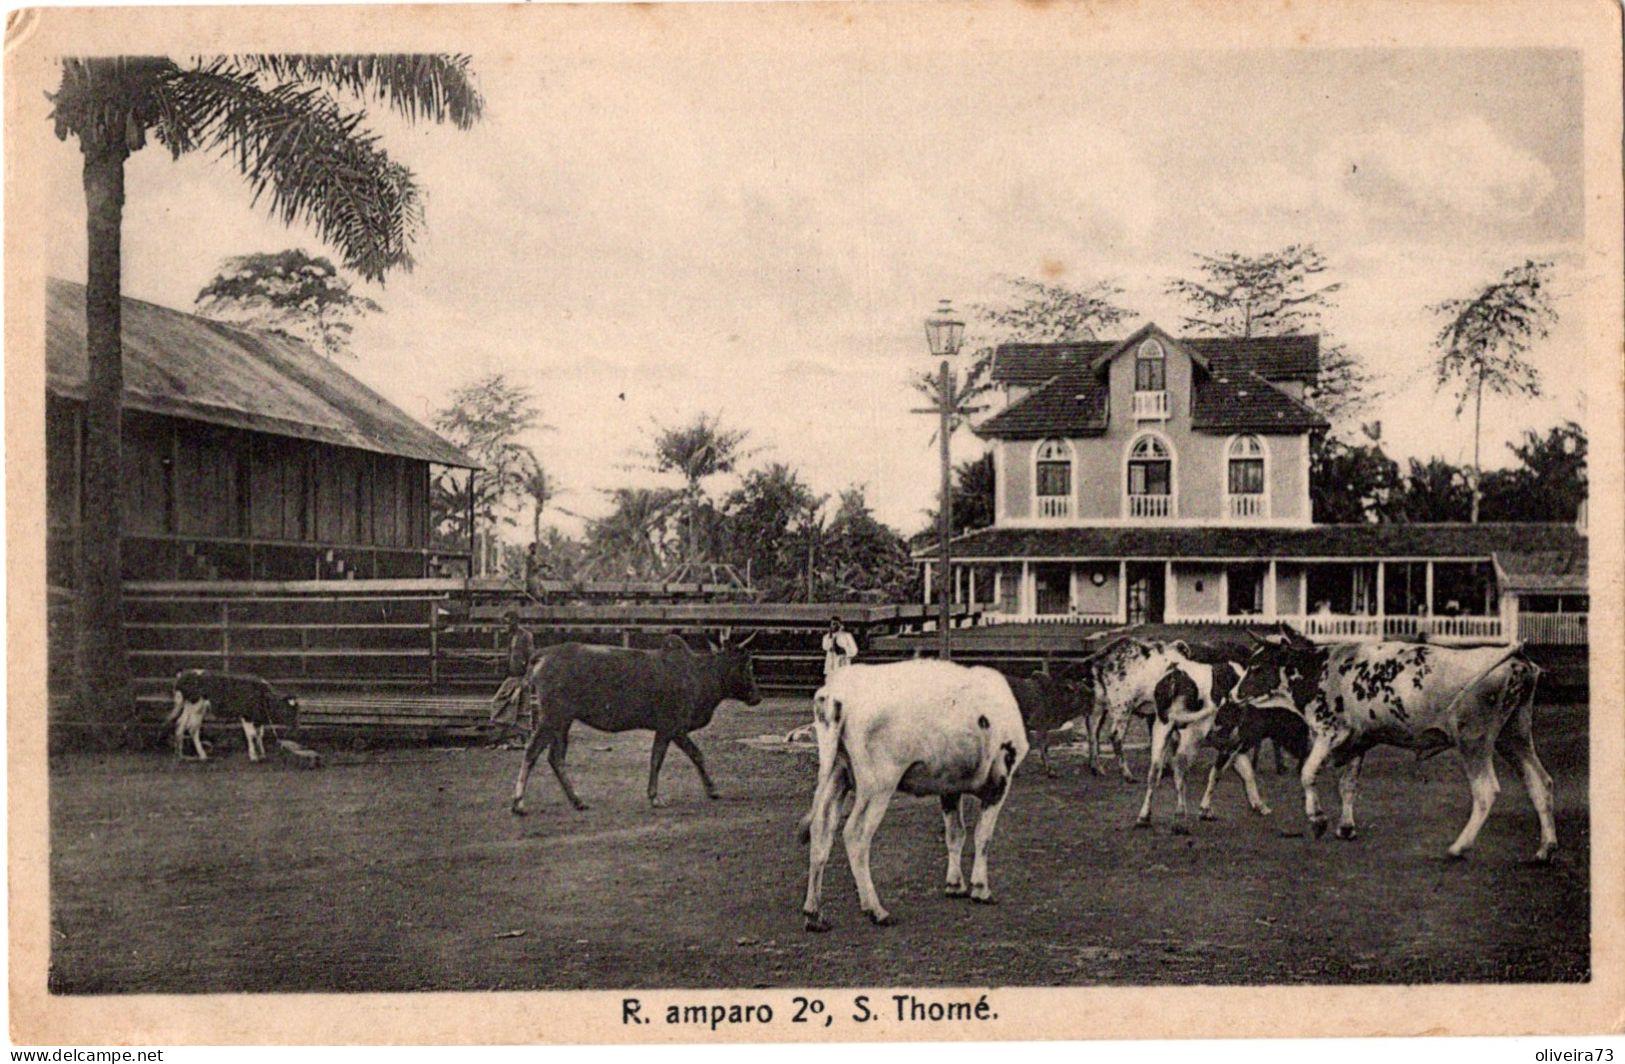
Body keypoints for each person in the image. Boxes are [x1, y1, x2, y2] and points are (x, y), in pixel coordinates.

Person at [489, 608, 535, 748]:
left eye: (507, 623)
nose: (505, 626)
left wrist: (526, 681)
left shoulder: (526, 636)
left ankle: (523, 739)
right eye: (504, 623)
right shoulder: (512, 637)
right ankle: (507, 736)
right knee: (498, 703)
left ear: (515, 622)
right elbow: (512, 657)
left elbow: (531, 659)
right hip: (511, 677)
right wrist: (498, 661)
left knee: (523, 709)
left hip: (521, 678)